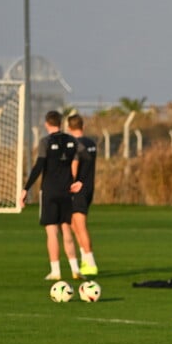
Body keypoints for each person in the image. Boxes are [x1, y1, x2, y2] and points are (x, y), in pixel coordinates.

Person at [20, 110, 82, 280]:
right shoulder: (72, 141)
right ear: (61, 123)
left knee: (52, 232)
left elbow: (39, 166)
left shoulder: (45, 142)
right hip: (66, 191)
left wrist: (26, 188)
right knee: (66, 230)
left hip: (49, 191)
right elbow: (80, 162)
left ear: (47, 124)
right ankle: (75, 269)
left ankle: (55, 271)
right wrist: (79, 181)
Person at [65, 113, 99, 277]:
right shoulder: (91, 143)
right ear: (82, 126)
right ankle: (85, 259)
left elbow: (74, 168)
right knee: (74, 224)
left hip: (77, 189)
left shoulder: (74, 144)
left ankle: (90, 262)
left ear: (69, 128)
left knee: (80, 225)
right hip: (89, 187)